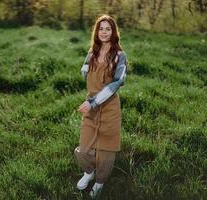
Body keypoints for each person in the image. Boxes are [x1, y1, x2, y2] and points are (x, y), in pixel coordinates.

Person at [74, 14, 127, 198]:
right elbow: (85, 74)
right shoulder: (92, 53)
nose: (104, 32)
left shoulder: (120, 56)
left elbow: (115, 85)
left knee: (106, 148)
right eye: (101, 28)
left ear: (114, 32)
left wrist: (93, 102)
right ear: (96, 32)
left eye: (108, 29)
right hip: (91, 103)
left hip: (109, 106)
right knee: (83, 148)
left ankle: (100, 181)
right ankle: (89, 172)